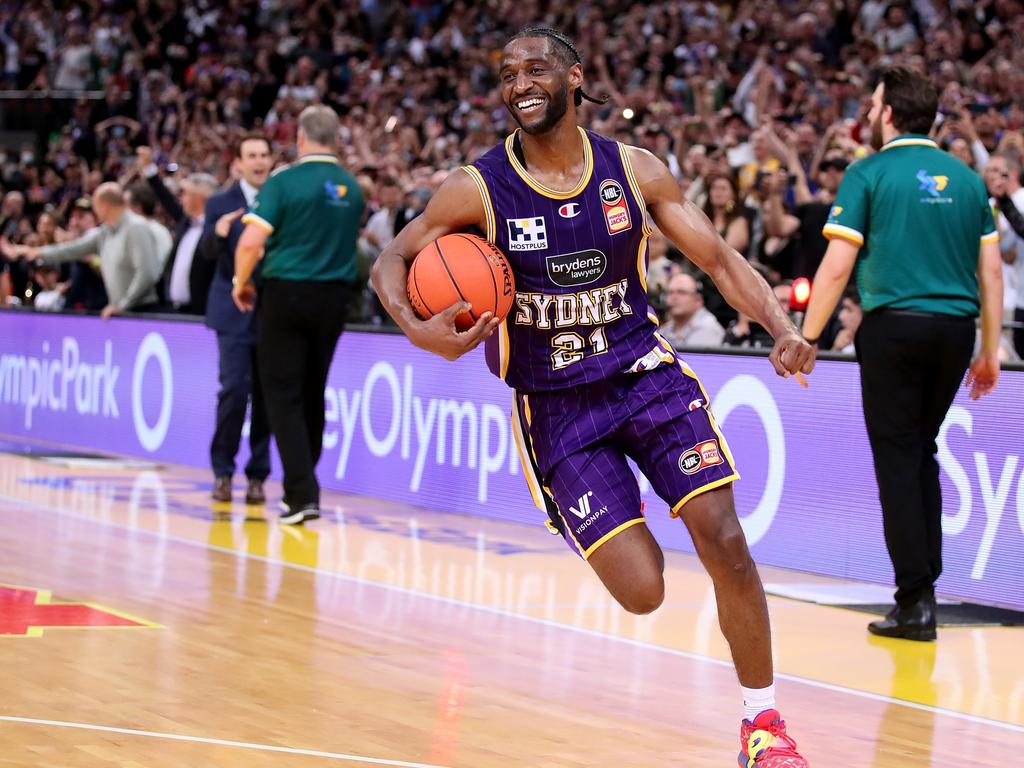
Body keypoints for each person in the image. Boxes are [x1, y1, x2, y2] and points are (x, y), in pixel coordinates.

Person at [370, 28, 814, 768]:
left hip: (644, 375)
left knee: (724, 536)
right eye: (507, 74)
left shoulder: (633, 171)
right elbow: (394, 256)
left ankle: (763, 728)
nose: (519, 83)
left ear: (574, 77)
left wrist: (780, 325)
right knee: (643, 590)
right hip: (556, 409)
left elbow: (717, 257)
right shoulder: (476, 187)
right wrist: (421, 332)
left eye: (535, 68)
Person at [802, 67, 1003, 642]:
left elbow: (838, 264)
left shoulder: (867, 173)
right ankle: (924, 590)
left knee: (897, 457)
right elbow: (991, 272)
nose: (868, 113)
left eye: (872, 104)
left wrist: (808, 337)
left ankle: (914, 600)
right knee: (919, 452)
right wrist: (989, 348)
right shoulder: (967, 180)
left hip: (894, 328)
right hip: (957, 332)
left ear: (889, 113)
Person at [233, 106, 365, 525]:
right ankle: (304, 487)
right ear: (337, 139)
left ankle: (301, 493)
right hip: (335, 299)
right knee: (312, 391)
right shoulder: (353, 187)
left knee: (282, 394)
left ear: (302, 139)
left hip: (286, 293)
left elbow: (250, 241)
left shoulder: (284, 181)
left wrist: (241, 282)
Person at [198, 132, 274, 506]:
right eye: (252, 155)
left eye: (264, 154)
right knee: (233, 390)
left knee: (266, 397)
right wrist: (218, 232)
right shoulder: (220, 203)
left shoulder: (278, 198)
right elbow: (206, 252)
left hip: (271, 310)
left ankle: (258, 476)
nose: (259, 161)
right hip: (231, 310)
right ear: (239, 163)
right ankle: (222, 472)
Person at [1, 183, 162, 319]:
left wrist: (123, 304)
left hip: (141, 310)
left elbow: (147, 273)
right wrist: (34, 252)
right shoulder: (106, 232)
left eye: (95, 207)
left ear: (105, 206)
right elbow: (72, 249)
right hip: (120, 311)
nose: (96, 212)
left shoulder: (136, 227)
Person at [660, 272, 727, 348]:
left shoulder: (707, 327)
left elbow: (690, 359)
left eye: (681, 292)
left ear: (698, 300)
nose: (674, 297)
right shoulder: (667, 328)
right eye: (670, 292)